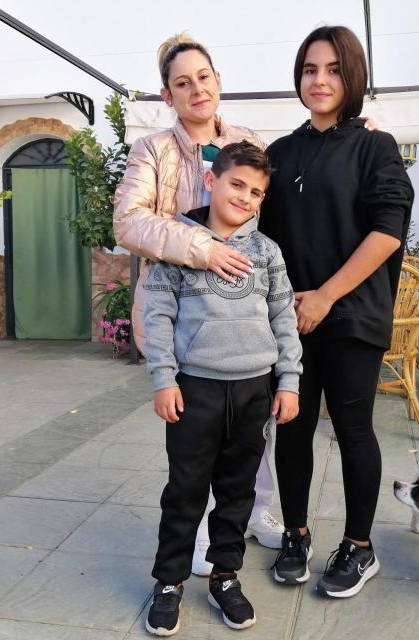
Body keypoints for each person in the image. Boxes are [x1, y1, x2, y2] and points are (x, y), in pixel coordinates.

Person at [113, 34, 285, 575]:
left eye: (203, 77)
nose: (196, 89)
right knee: (196, 441)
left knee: (252, 435)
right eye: (182, 83)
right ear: (168, 95)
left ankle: (253, 515)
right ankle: (195, 539)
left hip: (244, 314)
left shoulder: (248, 140)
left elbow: (286, 185)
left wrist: (358, 131)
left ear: (218, 81)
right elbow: (128, 221)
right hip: (185, 318)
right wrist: (200, 248)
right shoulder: (153, 152)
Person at [259, 25, 414, 598]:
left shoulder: (375, 146)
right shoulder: (280, 154)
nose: (319, 81)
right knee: (293, 427)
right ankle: (295, 534)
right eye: (308, 69)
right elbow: (262, 234)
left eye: (332, 69)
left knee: (352, 430)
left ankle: (359, 545)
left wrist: (326, 295)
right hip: (293, 319)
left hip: (351, 317)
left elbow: (387, 233)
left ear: (353, 76)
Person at [141, 142, 302, 635]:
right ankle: (169, 581)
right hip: (196, 390)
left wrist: (289, 381)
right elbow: (158, 315)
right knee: (185, 490)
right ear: (212, 181)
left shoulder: (267, 252)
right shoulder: (177, 245)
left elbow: (284, 319)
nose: (246, 198)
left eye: (256, 192)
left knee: (238, 492)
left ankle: (224, 575)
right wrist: (164, 379)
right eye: (237, 185)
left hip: (254, 390)